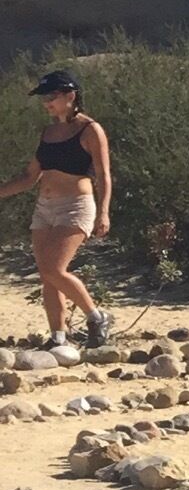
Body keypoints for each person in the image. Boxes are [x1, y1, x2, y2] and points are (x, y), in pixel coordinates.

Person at [0, 68, 113, 350]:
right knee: (47, 274)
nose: (46, 103)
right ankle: (58, 338)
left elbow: (103, 174)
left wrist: (104, 212)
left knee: (54, 268)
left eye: (50, 96)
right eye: (44, 97)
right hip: (44, 208)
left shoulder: (90, 130)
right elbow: (29, 178)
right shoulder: (48, 132)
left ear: (70, 96)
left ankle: (97, 317)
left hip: (76, 206)